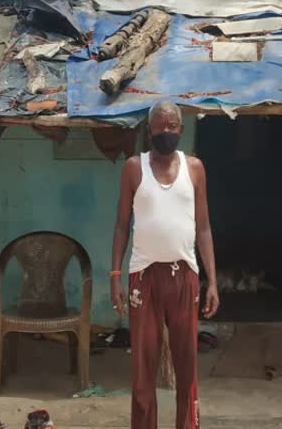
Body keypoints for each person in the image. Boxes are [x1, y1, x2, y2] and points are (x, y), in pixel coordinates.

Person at [110, 100, 219, 429]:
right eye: (160, 126)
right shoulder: (133, 167)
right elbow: (120, 225)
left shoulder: (195, 168)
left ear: (181, 130)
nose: (166, 131)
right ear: (150, 130)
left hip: (184, 276)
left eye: (172, 126)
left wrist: (212, 280)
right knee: (143, 370)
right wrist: (116, 275)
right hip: (143, 278)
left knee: (187, 367)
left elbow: (203, 227)